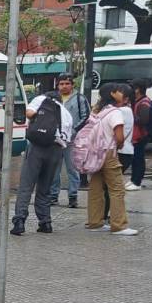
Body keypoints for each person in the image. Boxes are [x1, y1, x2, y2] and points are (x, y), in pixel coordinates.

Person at [10, 89, 73, 236]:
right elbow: (67, 139)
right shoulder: (66, 113)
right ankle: (45, 223)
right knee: (45, 188)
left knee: (26, 186)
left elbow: (29, 113)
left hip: (37, 148)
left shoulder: (41, 100)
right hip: (56, 151)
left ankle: (19, 221)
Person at [85, 84, 138, 236]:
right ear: (112, 94)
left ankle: (95, 222)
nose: (120, 93)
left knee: (95, 188)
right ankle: (119, 225)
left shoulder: (96, 111)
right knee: (117, 189)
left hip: (95, 153)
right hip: (109, 152)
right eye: (117, 91)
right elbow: (120, 137)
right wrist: (117, 145)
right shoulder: (115, 112)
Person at [48, 73, 89, 208]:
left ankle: (73, 196)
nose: (64, 86)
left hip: (72, 140)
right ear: (57, 85)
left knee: (72, 169)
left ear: (72, 85)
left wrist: (73, 131)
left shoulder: (79, 98)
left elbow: (85, 117)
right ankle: (54, 196)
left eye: (67, 83)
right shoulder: (52, 98)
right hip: (55, 140)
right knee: (54, 169)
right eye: (61, 84)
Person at [129, 78, 152, 191]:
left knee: (138, 158)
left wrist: (129, 115)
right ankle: (133, 179)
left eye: (132, 87)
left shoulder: (144, 102)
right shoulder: (136, 100)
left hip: (141, 136)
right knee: (134, 159)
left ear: (137, 89)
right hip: (135, 135)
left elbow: (143, 120)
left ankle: (137, 182)